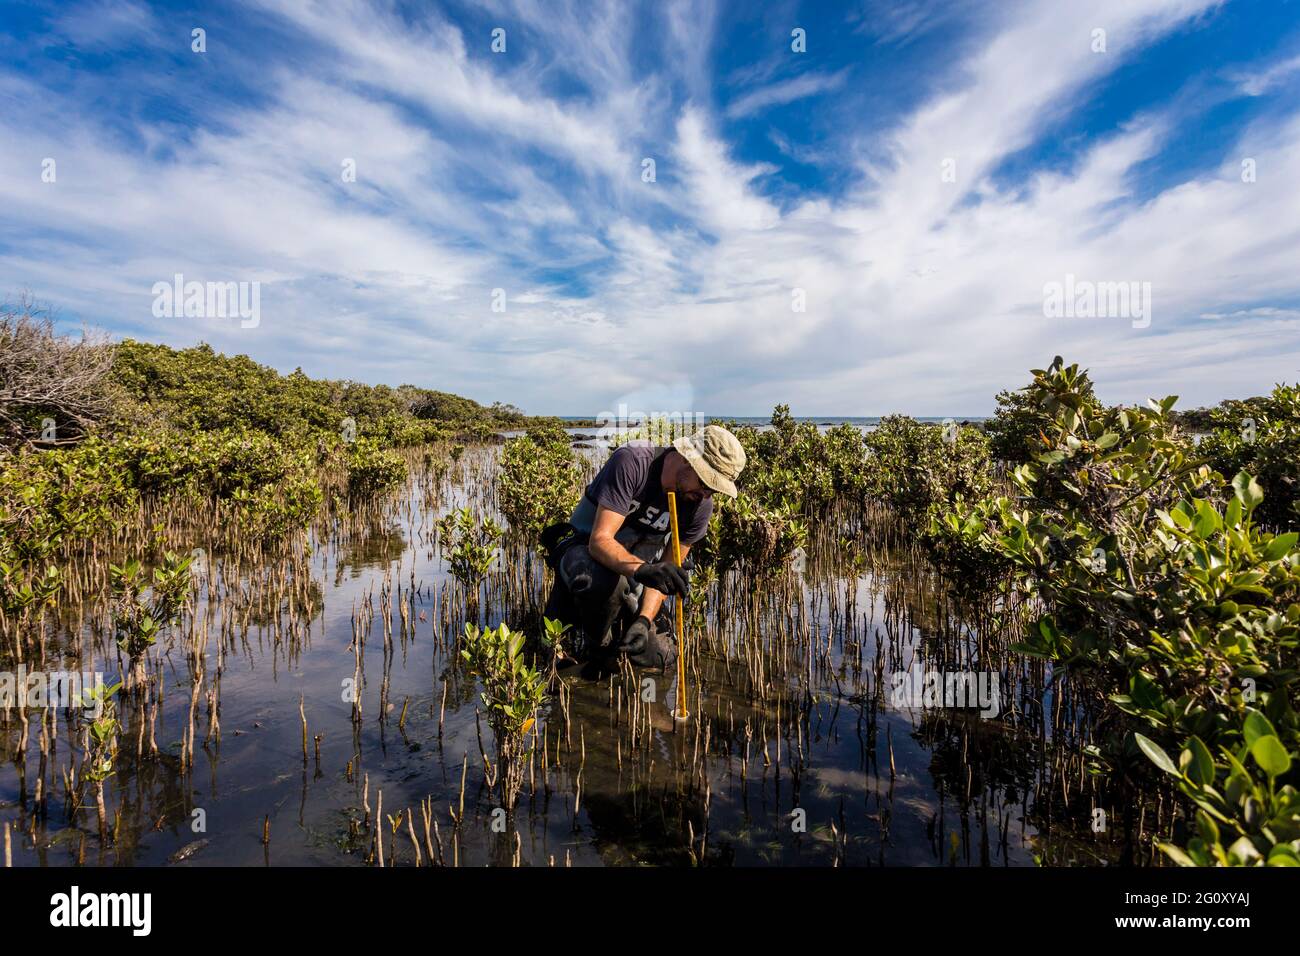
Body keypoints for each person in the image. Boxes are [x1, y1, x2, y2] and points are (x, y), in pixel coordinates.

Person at [542, 425, 746, 668]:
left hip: (637, 574)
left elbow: (667, 571)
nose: (705, 494)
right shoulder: (634, 462)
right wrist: (644, 571)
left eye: (713, 489)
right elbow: (599, 542)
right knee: (604, 583)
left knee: (660, 655)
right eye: (705, 483)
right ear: (686, 458)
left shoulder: (700, 506)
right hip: (584, 552)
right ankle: (596, 643)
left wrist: (644, 621)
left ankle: (622, 622)